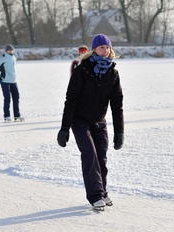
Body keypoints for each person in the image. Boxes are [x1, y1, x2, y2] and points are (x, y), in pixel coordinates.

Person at [57, 34, 124, 210]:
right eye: (102, 47)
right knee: (90, 155)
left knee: (101, 157)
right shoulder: (82, 70)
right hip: (80, 121)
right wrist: (64, 128)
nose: (105, 50)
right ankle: (95, 196)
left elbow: (117, 105)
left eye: (108, 47)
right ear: (94, 50)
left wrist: (120, 132)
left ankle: (102, 192)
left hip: (99, 122)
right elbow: (70, 100)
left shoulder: (112, 73)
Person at [0, 44, 24, 122]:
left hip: (13, 81)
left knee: (16, 97)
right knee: (7, 99)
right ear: (6, 51)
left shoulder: (14, 58)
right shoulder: (3, 59)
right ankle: (7, 116)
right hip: (5, 81)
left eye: (11, 50)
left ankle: (17, 115)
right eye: (9, 50)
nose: (10, 51)